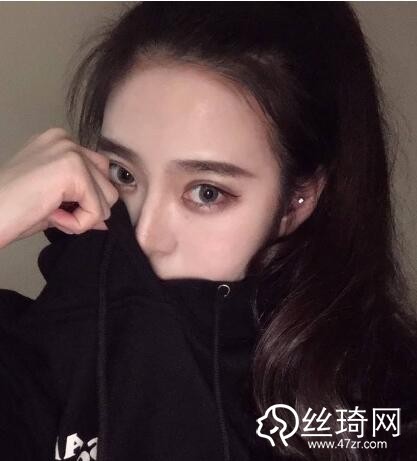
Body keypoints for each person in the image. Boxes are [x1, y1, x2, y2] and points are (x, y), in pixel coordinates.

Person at [0, 2, 416, 460]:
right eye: (124, 174)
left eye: (206, 192)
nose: (145, 236)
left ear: (295, 201)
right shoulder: (51, 339)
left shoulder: (379, 411)